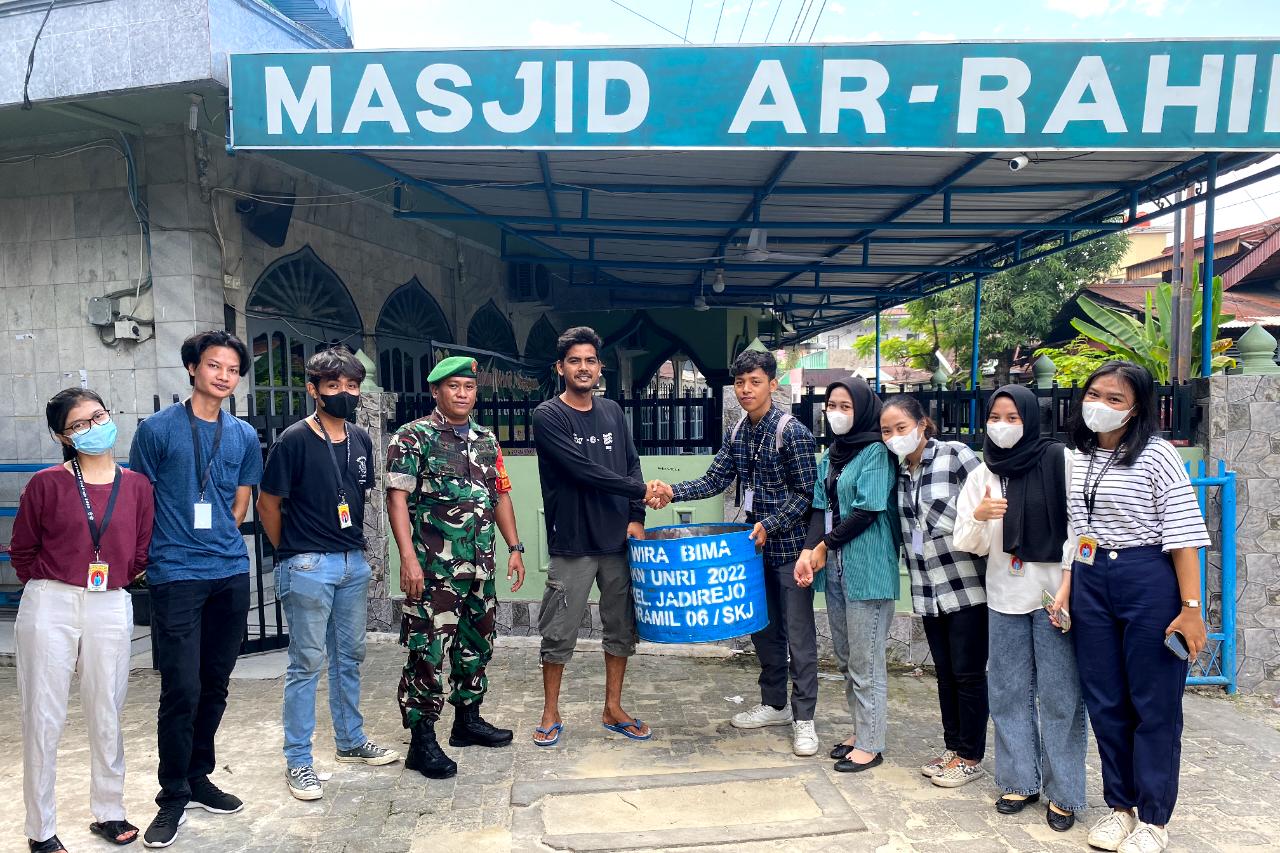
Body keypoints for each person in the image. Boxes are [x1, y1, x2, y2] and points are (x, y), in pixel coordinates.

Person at [1063, 362, 1209, 853]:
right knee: (1104, 699)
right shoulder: (1080, 455)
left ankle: (1153, 818)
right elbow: (1078, 531)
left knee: (1153, 703)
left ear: (1136, 409)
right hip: (1091, 578)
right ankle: (1120, 807)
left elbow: (1183, 536)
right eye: (1094, 394)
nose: (1100, 405)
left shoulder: (1157, 455)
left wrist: (1191, 608)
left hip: (1147, 578)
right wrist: (1068, 586)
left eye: (1115, 399)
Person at [649, 349, 819, 757]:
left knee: (799, 636)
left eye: (754, 382)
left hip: (790, 551)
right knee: (764, 630)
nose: (745, 390)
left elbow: (806, 496)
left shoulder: (792, 432)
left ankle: (805, 720)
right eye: (740, 382)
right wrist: (672, 491)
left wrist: (770, 524)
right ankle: (775, 705)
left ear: (772, 384)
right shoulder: (739, 430)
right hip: (752, 550)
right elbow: (715, 479)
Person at [129, 329, 262, 848]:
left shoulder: (242, 434)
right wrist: (154, 554)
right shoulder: (157, 430)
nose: (224, 376)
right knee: (181, 687)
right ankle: (172, 795)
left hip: (228, 572)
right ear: (192, 368)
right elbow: (140, 497)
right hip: (176, 573)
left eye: (232, 369)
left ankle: (199, 775)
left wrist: (221, 535)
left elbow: (241, 499)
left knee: (215, 682)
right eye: (214, 366)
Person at [11, 389, 154, 853]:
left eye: (98, 416)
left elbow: (139, 551)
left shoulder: (137, 485)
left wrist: (109, 579)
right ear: (62, 437)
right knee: (42, 714)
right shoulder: (47, 483)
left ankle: (109, 810)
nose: (94, 428)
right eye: (79, 425)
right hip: (51, 600)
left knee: (106, 707)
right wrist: (56, 581)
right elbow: (23, 550)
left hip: (109, 601)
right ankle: (40, 829)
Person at [257, 347, 400, 801]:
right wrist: (291, 552)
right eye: (333, 385)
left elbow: (359, 496)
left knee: (349, 656)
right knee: (306, 663)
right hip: (308, 564)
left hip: (352, 563)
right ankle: (298, 760)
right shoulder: (294, 440)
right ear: (314, 389)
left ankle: (351, 740)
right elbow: (268, 504)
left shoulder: (360, 439)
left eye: (352, 385)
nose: (344, 393)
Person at [386, 355, 527, 779]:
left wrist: (514, 547)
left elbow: (500, 495)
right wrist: (408, 558)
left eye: (469, 386)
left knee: (476, 644)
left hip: (480, 569)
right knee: (427, 651)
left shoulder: (486, 440)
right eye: (454, 386)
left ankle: (467, 721)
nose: (463, 393)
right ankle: (421, 741)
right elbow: (397, 500)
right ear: (436, 391)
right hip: (434, 571)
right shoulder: (413, 437)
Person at [952, 385, 1085, 831]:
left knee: (1061, 696)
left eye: (1013, 418)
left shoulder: (1061, 460)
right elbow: (965, 540)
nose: (1002, 426)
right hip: (1003, 596)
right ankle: (1019, 781)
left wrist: (1069, 581)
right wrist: (980, 517)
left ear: (1030, 419)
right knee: (1007, 693)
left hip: (1054, 598)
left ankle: (1064, 793)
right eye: (995, 417)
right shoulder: (983, 472)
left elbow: (1080, 526)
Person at [531, 326, 656, 747]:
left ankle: (613, 708)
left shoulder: (613, 412)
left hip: (617, 542)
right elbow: (582, 471)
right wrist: (642, 491)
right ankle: (550, 711)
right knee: (558, 631)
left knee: (620, 628)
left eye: (590, 360)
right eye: (574, 361)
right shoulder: (548, 416)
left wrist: (636, 515)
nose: (583, 368)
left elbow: (631, 463)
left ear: (600, 367)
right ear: (560, 368)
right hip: (573, 543)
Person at [879, 394, 989, 788]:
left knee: (968, 674)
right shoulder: (897, 472)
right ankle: (953, 747)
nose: (894, 436)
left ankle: (970, 757)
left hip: (966, 585)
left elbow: (986, 504)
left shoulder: (954, 455)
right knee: (944, 673)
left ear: (922, 424)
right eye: (886, 431)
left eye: (901, 428)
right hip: (927, 590)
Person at [794, 377, 897, 773]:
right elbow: (820, 509)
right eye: (831, 406)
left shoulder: (876, 452)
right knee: (845, 658)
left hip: (868, 568)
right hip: (837, 570)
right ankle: (860, 731)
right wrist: (809, 551)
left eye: (845, 406)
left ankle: (871, 744)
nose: (836, 413)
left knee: (865, 663)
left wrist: (823, 546)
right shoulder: (832, 455)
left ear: (863, 409)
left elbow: (867, 510)